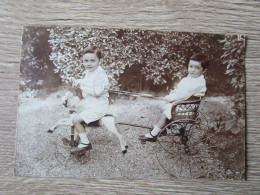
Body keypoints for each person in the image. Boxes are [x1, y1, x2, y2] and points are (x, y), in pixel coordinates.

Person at [138, 53, 209, 142]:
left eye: (197, 68)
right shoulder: (193, 78)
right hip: (185, 105)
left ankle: (153, 134)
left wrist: (170, 98)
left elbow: (182, 95)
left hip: (185, 108)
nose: (192, 70)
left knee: (166, 113)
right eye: (191, 66)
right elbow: (180, 91)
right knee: (165, 107)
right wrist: (173, 93)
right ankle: (162, 128)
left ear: (204, 70)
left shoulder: (196, 83)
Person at [71, 46, 109, 153]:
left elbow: (96, 92)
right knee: (74, 111)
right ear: (82, 61)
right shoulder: (90, 72)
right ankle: (79, 136)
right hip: (91, 104)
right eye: (86, 61)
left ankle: (85, 143)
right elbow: (85, 82)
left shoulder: (100, 75)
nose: (89, 63)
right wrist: (77, 80)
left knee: (76, 120)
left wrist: (81, 86)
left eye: (92, 61)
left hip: (98, 107)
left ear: (99, 61)